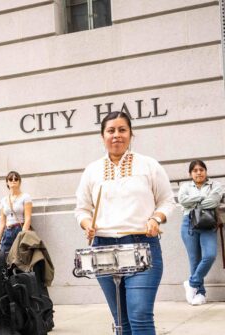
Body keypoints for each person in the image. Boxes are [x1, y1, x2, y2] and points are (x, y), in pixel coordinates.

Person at [75, 112, 175, 335]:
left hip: (141, 245)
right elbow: (81, 208)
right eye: (111, 131)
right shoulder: (92, 170)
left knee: (139, 315)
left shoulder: (149, 165)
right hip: (103, 247)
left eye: (122, 130)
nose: (116, 135)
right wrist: (86, 223)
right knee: (121, 321)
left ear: (131, 134)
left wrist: (155, 219)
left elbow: (167, 201)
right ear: (102, 136)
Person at [177, 160, 224, 306]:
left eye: (201, 169)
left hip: (208, 223)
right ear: (190, 173)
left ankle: (192, 283)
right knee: (194, 260)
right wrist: (202, 197)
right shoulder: (185, 186)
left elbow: (214, 202)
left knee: (209, 255)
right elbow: (182, 201)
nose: (199, 172)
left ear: (206, 171)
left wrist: (195, 202)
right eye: (195, 170)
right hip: (188, 223)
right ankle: (200, 293)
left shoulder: (215, 185)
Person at [0, 171, 32, 254]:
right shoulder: (3, 200)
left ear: (19, 182)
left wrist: (22, 234)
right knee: (4, 257)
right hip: (7, 232)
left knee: (20, 258)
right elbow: (2, 222)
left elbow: (28, 218)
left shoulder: (25, 197)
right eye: (10, 179)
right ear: (7, 182)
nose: (13, 180)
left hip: (19, 229)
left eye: (16, 179)